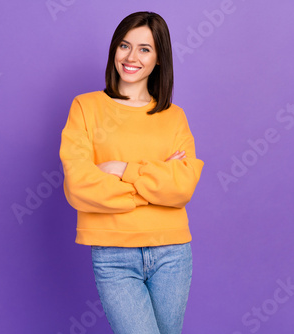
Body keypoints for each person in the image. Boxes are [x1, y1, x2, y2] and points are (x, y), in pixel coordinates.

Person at [59, 11, 204, 334]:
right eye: (125, 45)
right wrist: (154, 186)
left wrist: (121, 169)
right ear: (114, 50)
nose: (131, 57)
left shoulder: (174, 116)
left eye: (144, 49)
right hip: (114, 255)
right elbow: (80, 186)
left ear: (159, 60)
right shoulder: (86, 107)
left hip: (173, 254)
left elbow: (182, 188)